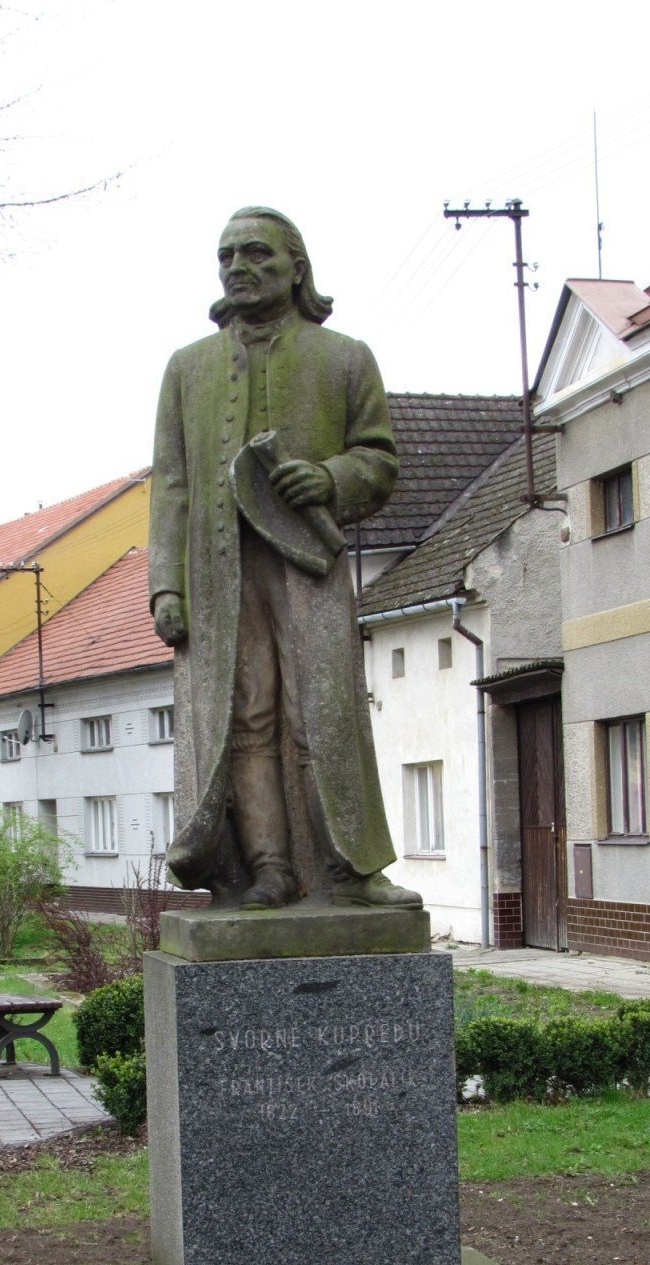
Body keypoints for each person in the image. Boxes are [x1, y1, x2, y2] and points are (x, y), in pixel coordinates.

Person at [149, 206, 420, 912]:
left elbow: (379, 459)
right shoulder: (187, 369)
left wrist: (331, 478)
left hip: (306, 568)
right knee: (246, 716)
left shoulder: (345, 357)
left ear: (296, 266)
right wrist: (164, 588)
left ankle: (350, 869)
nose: (239, 267)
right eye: (227, 256)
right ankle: (267, 868)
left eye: (257, 254)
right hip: (217, 577)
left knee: (322, 710)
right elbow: (171, 486)